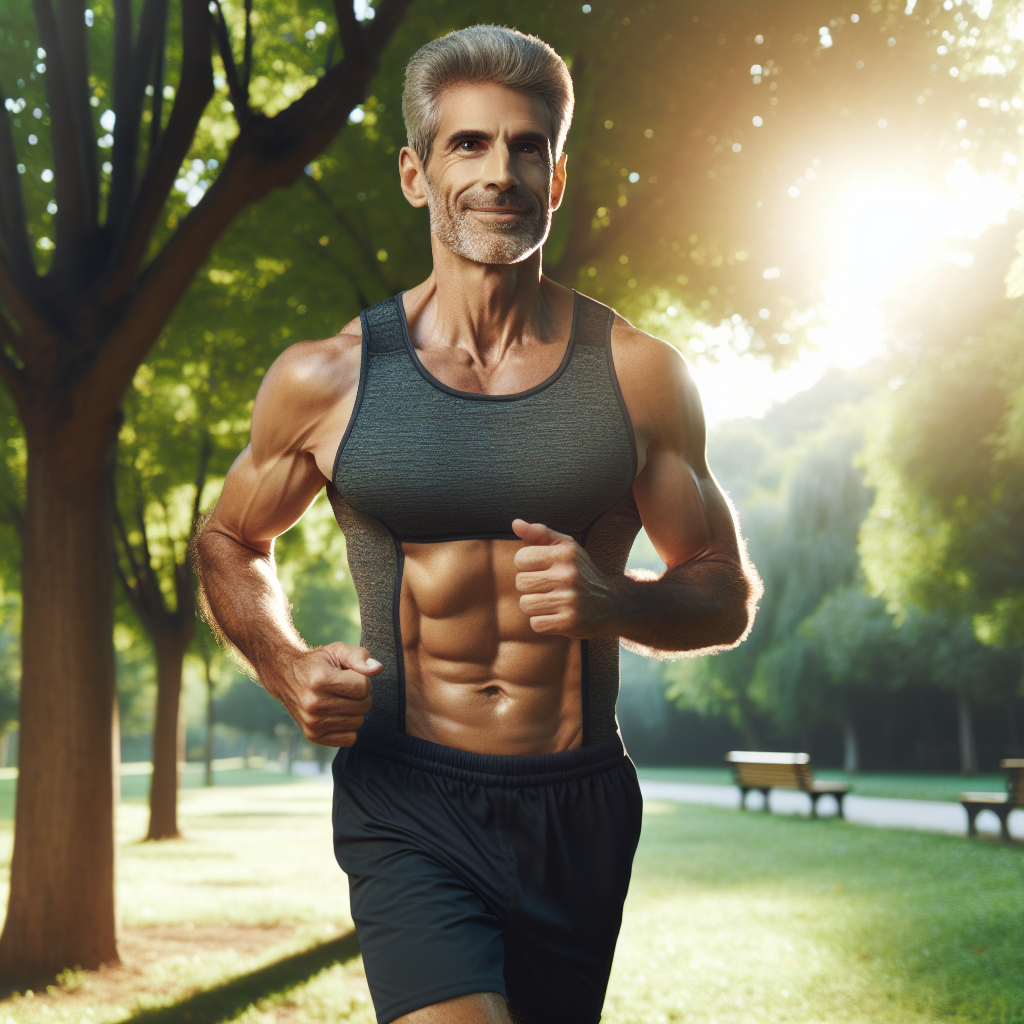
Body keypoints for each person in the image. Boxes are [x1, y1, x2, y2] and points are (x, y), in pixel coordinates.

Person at [194, 24, 760, 1024]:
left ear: (557, 173)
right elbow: (229, 540)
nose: (499, 171)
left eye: (525, 146)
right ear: (417, 174)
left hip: (576, 807)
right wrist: (286, 667)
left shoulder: (638, 375)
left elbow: (721, 592)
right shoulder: (327, 377)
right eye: (468, 144)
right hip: (405, 796)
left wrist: (610, 600)